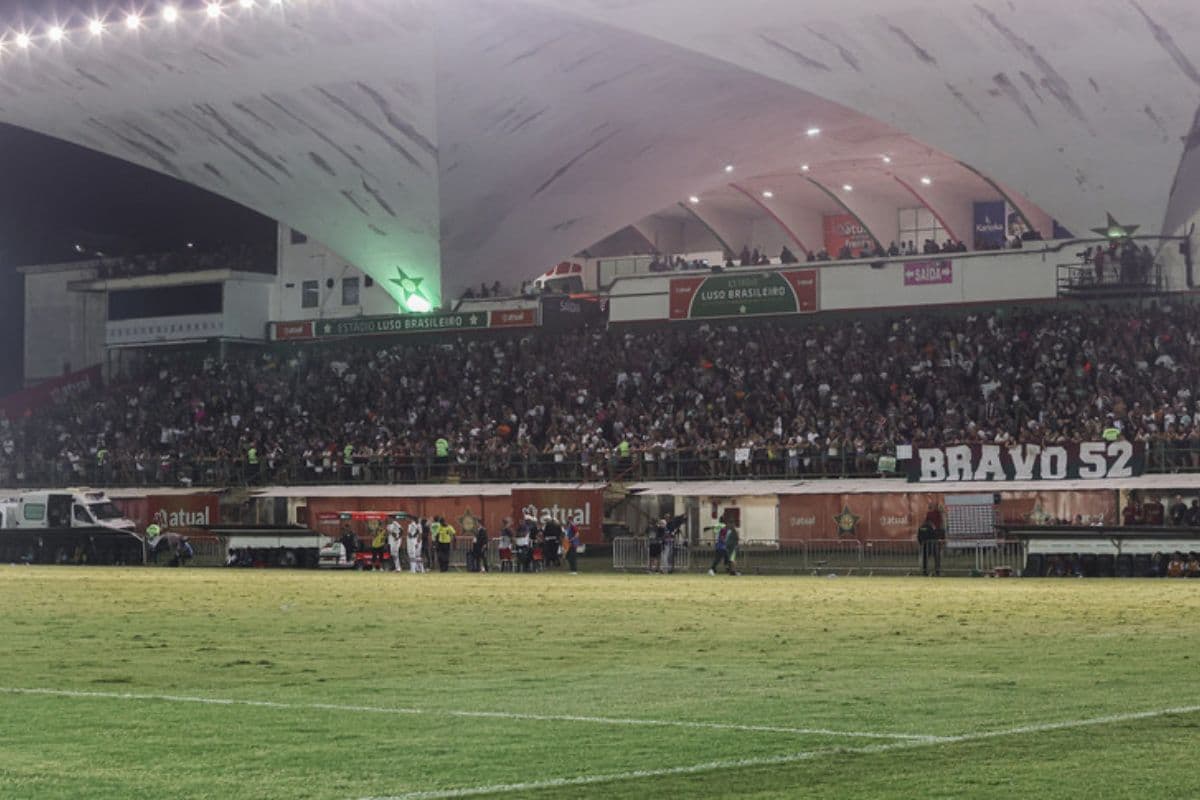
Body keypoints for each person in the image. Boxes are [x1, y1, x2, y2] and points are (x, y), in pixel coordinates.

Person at [919, 502, 944, 576]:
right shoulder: (936, 514)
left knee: (927, 557)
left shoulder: (932, 514)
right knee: (936, 557)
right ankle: (937, 572)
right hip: (934, 540)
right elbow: (941, 524)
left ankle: (925, 571)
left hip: (929, 541)